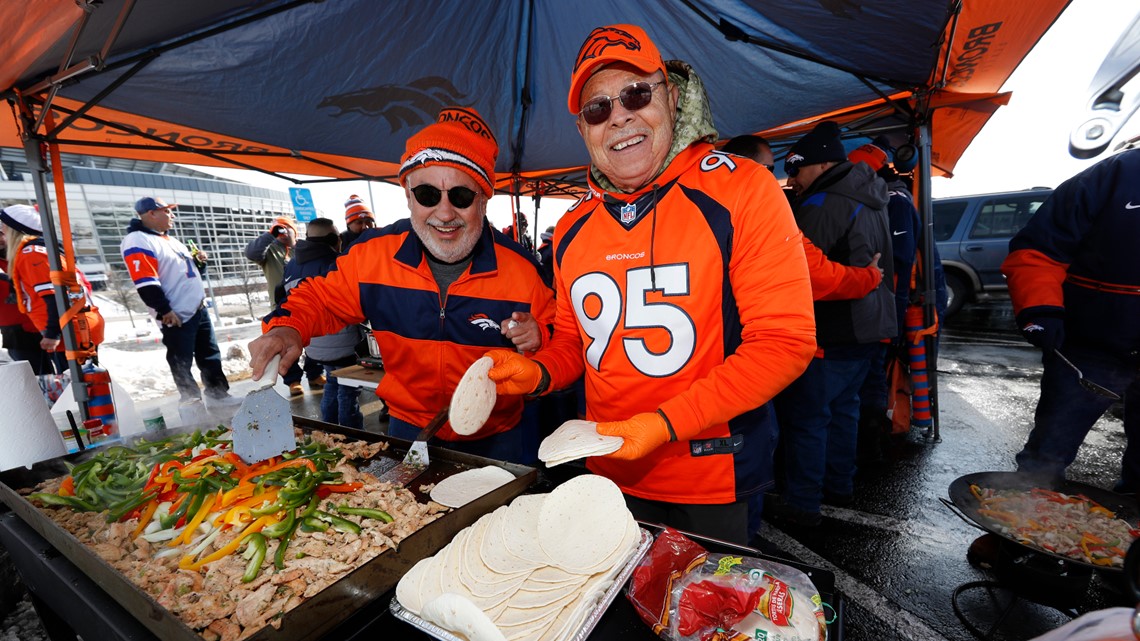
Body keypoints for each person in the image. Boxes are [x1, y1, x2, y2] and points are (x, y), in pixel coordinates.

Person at [486, 24, 816, 545]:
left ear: (672, 96)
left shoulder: (740, 188)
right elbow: (576, 343)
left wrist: (662, 424)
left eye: (637, 93)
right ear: (583, 131)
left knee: (701, 617)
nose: (618, 115)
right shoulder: (572, 226)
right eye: (597, 108)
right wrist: (539, 373)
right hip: (604, 474)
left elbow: (784, 345)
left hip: (710, 477)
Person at [247, 106, 555, 464]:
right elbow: (320, 299)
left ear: (483, 200)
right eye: (427, 194)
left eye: (460, 196)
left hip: (498, 434)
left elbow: (560, 341)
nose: (443, 213)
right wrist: (287, 328)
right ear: (407, 195)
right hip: (409, 428)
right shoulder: (373, 255)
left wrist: (539, 339)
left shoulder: (522, 268)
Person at [771, 120, 896, 528]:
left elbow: (802, 274)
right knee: (844, 410)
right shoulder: (872, 196)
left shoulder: (825, 203)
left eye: (797, 170)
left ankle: (803, 504)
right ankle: (840, 485)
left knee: (808, 419)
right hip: (869, 328)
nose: (793, 179)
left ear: (821, 165)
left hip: (833, 328)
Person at [1001, 147, 1140, 492]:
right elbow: (1038, 250)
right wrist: (1040, 309)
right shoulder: (1115, 174)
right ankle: (1014, 535)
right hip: (1090, 347)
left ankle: (1128, 540)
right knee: (1046, 455)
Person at [847, 142, 948, 463]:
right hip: (887, 305)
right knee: (873, 375)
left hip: (889, 306)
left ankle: (871, 446)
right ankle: (872, 441)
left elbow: (900, 262)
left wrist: (894, 314)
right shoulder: (890, 197)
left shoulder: (895, 201)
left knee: (874, 376)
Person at [120, 197, 238, 407]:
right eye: (167, 211)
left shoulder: (170, 239)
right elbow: (145, 280)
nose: (172, 215)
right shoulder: (138, 239)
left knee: (209, 354)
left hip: (197, 308)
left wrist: (199, 264)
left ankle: (218, 394)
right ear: (151, 213)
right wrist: (164, 309)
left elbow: (184, 273)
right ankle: (191, 401)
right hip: (175, 312)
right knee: (181, 360)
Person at [2, 204, 103, 374]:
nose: (2, 229)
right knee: (81, 385)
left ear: (14, 229)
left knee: (83, 388)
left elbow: (55, 295)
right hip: (73, 329)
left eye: (4, 225)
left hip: (72, 332)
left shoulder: (32, 254)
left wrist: (52, 333)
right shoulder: (37, 251)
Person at [281, 218, 363, 428]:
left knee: (333, 382)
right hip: (344, 343)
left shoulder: (292, 264)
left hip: (314, 343)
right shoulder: (336, 263)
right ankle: (352, 434)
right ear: (334, 240)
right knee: (347, 390)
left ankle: (328, 429)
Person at [244, 216, 324, 395]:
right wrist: (270, 234)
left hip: (307, 304)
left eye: (284, 228)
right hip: (282, 307)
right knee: (286, 345)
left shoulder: (302, 251)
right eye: (277, 229)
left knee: (313, 341)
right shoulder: (270, 252)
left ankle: (314, 374)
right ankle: (293, 381)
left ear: (293, 231)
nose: (281, 232)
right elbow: (251, 253)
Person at [0, 221, 57, 375]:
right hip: (18, 331)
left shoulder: (27, 252)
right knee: (38, 381)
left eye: (1, 233)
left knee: (66, 376)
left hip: (49, 323)